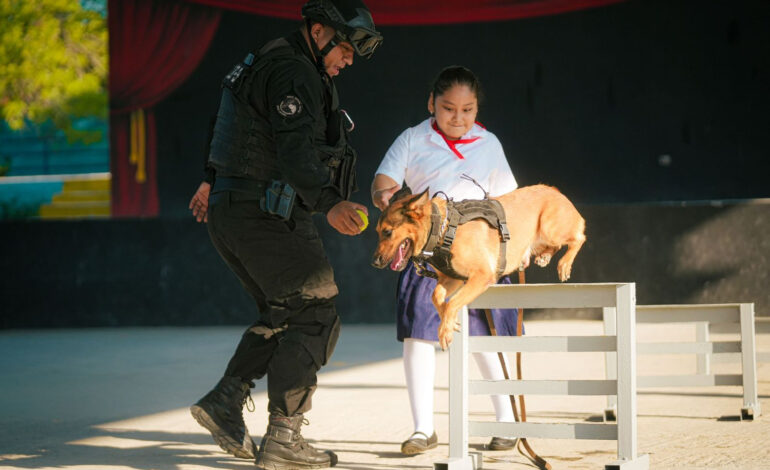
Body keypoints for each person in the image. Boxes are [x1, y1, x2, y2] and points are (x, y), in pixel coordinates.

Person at [187, 1, 382, 468]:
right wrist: (330, 203)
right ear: (318, 32)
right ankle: (283, 439)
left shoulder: (270, 58)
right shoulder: (294, 71)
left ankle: (225, 402)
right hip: (264, 212)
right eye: (346, 47)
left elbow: (231, 125)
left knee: (285, 312)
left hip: (233, 210)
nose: (349, 59)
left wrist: (211, 178)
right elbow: (295, 152)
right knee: (315, 314)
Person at [371, 66, 521, 455]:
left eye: (467, 110)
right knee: (418, 338)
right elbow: (383, 183)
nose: (458, 118)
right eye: (448, 108)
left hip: (476, 259)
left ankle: (507, 422)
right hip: (427, 257)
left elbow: (509, 202)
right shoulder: (412, 138)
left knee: (484, 339)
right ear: (431, 105)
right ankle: (422, 429)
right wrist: (385, 195)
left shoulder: (489, 144)